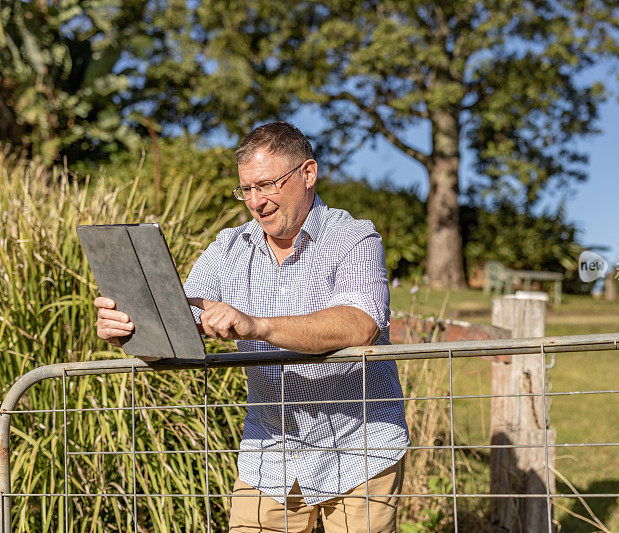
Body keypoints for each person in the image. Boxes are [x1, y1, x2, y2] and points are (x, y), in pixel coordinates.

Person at [95, 122, 410, 532]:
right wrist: (133, 331)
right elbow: (176, 328)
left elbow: (360, 324)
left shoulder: (353, 237)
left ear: (308, 174)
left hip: (360, 449)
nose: (256, 202)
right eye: (246, 190)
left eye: (266, 185)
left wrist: (256, 325)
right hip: (269, 452)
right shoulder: (227, 249)